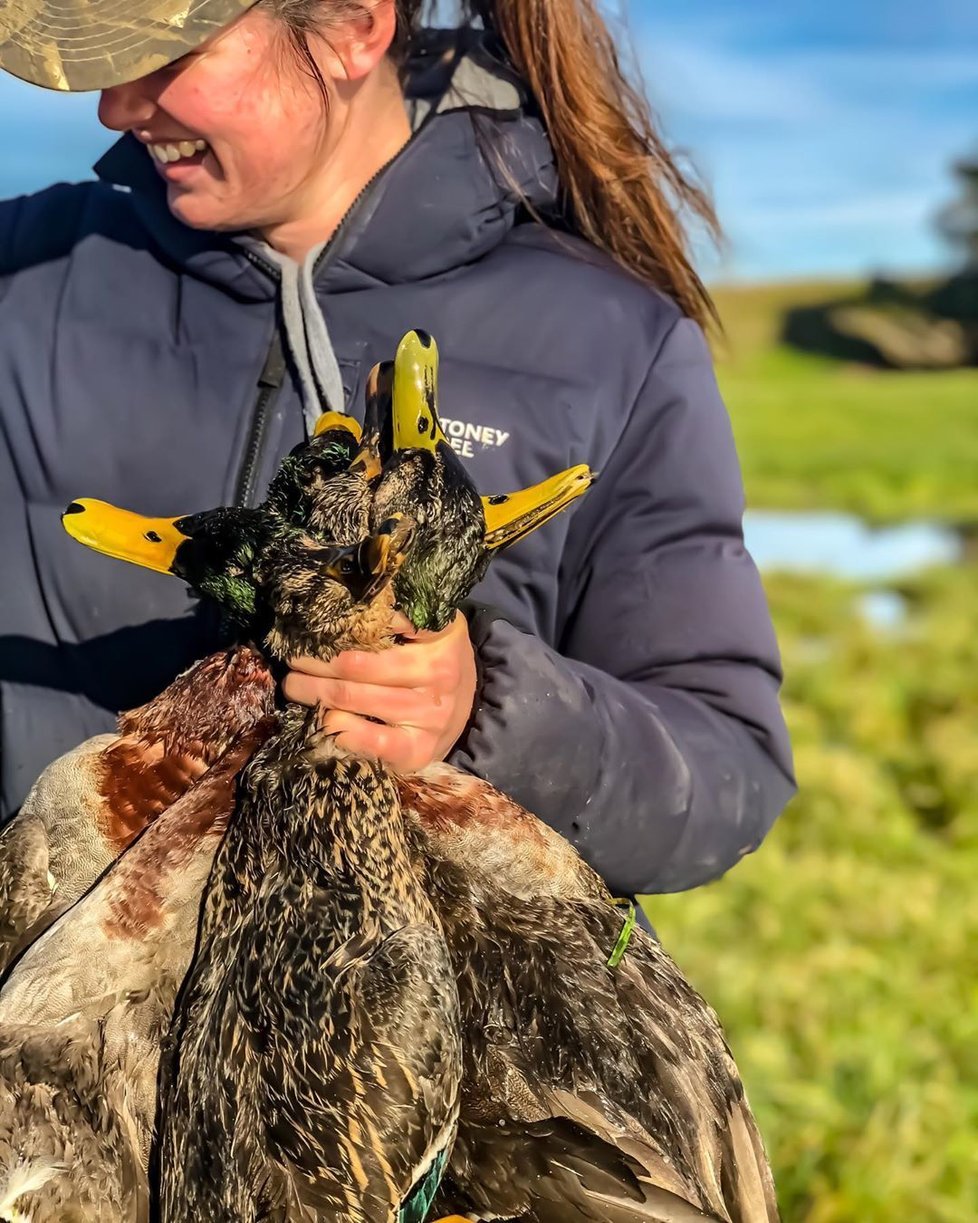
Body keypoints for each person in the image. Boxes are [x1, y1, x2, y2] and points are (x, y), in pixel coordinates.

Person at [0, 0, 795, 900]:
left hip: (422, 1032)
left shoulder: (609, 341)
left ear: (350, 28)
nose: (114, 106)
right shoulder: (19, 277)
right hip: (54, 1012)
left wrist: (485, 704)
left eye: (168, 48)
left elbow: (728, 772)